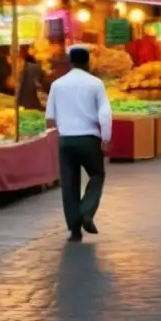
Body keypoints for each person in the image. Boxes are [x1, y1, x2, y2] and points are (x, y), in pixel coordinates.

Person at [44, 47, 111, 242]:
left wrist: (57, 135)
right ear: (88, 62)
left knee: (69, 182)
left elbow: (49, 117)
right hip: (89, 139)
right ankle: (86, 211)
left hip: (66, 140)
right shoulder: (96, 84)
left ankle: (74, 228)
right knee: (97, 174)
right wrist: (106, 139)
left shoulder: (57, 85)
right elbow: (105, 115)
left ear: (70, 61)